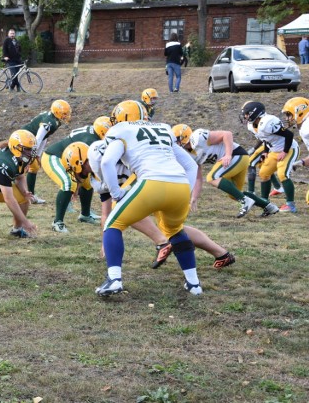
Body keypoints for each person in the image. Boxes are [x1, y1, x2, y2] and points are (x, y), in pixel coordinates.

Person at [64, 136, 236, 271]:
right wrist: (106, 241)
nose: (77, 173)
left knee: (124, 205)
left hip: (158, 179)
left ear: (80, 160)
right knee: (171, 228)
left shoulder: (106, 154)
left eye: (74, 168)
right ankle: (221, 254)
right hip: (159, 182)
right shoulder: (97, 176)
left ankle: (162, 242)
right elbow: (106, 213)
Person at [96, 100, 203, 296]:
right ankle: (194, 285)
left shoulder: (120, 130)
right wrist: (185, 192)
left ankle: (114, 279)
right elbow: (191, 166)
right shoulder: (163, 128)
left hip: (151, 183)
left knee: (112, 224)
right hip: (179, 185)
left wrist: (116, 193)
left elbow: (107, 162)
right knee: (175, 231)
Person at [172, 124, 278, 218]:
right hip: (236, 160)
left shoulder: (199, 136)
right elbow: (198, 177)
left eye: (177, 139)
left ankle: (245, 201)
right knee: (234, 194)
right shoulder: (187, 154)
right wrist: (194, 198)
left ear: (184, 136)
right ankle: (268, 207)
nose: (175, 143)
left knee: (212, 177)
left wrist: (228, 154)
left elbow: (227, 134)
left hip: (236, 155)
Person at [41, 117, 108, 233]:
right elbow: (79, 166)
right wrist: (76, 188)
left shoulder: (95, 134)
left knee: (89, 183)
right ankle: (57, 222)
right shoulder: (91, 141)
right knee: (69, 183)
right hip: (54, 156)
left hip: (72, 159)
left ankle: (85, 215)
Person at [241, 101, 299, 213]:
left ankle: (290, 205)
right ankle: (265, 202)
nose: (245, 116)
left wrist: (285, 151)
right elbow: (265, 139)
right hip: (274, 150)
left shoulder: (268, 122)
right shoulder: (252, 125)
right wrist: (265, 151)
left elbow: (289, 135)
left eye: (247, 113)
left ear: (254, 113)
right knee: (264, 173)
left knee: (283, 174)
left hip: (289, 148)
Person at [21, 99, 72, 204]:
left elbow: (44, 138)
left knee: (34, 167)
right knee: (21, 168)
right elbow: (38, 138)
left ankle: (31, 195)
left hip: (29, 140)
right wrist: (32, 155)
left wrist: (38, 155)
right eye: (64, 113)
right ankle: (9, 189)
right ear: (57, 112)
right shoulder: (50, 122)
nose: (66, 116)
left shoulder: (55, 120)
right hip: (24, 140)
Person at [281, 97, 309, 201]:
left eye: (289, 114)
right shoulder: (304, 127)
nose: (287, 118)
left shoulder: (307, 128)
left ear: (300, 112)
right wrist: (302, 162)